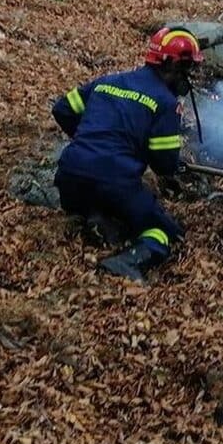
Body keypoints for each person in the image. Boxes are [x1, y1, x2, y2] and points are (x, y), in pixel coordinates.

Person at [50, 26, 202, 281]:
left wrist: (88, 140)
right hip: (115, 182)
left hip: (69, 178)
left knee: (110, 204)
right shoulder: (165, 103)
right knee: (167, 232)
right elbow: (164, 165)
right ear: (173, 66)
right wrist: (172, 163)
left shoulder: (107, 83)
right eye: (187, 69)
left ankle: (97, 217)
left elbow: (62, 109)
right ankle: (127, 263)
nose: (188, 77)